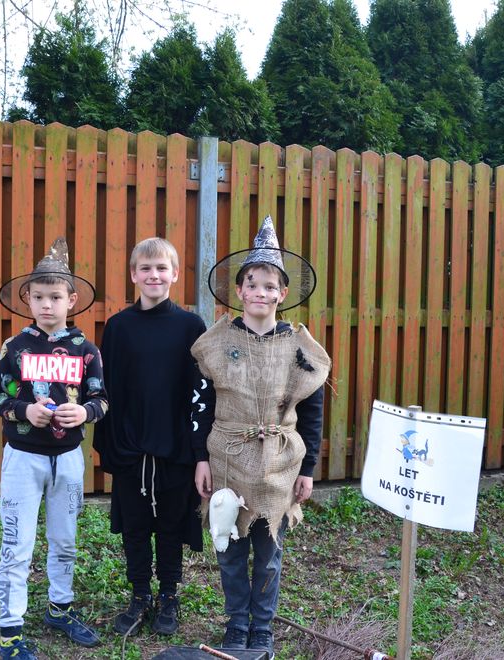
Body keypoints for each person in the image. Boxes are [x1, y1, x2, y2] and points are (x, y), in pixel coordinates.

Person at [191, 216, 330, 660]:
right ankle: (236, 623)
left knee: (268, 550)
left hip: (278, 464)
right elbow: (201, 403)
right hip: (227, 457)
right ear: (240, 290)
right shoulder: (217, 342)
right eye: (252, 284)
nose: (260, 292)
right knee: (229, 544)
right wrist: (200, 458)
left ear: (282, 294)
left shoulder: (300, 348)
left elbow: (311, 412)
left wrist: (307, 469)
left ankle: (262, 628)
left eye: (270, 286)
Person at [0, 237, 108, 660]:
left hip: (68, 459)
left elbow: (101, 399)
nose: (46, 305)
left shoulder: (86, 351)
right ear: (28, 299)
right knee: (16, 544)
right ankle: (10, 633)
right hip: (23, 458)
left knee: (65, 540)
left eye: (55, 297)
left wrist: (84, 412)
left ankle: (60, 608)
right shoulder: (15, 348)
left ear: (71, 300)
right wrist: (24, 410)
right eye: (38, 297)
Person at [93, 237, 207, 636]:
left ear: (175, 275)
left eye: (161, 268)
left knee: (171, 526)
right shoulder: (119, 327)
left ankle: (169, 595)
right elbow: (109, 387)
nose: (153, 275)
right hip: (131, 448)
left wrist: (197, 452)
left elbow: (199, 391)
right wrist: (114, 445)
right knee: (136, 527)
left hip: (174, 449)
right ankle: (140, 595)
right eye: (145, 268)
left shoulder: (191, 326)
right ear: (133, 275)